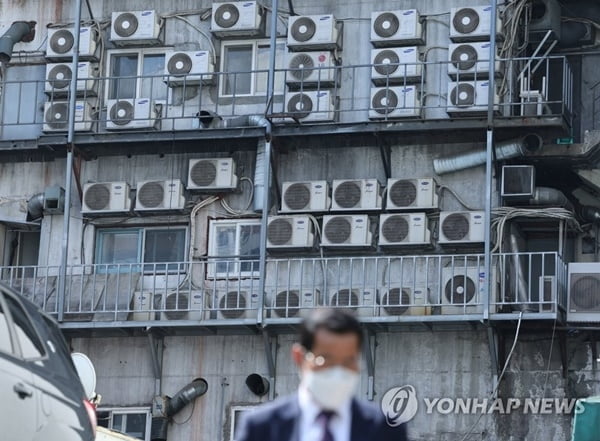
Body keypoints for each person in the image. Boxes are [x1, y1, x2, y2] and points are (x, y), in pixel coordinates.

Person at [236, 308, 409, 441]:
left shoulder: (385, 429)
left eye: (349, 361)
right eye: (326, 360)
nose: (338, 372)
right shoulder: (261, 426)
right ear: (300, 357)